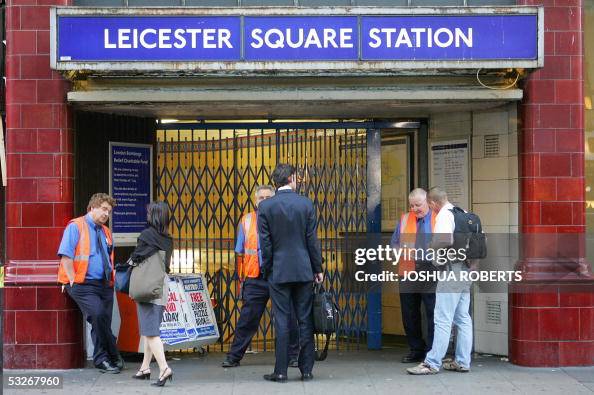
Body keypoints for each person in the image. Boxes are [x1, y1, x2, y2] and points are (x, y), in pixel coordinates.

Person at [222, 185, 300, 368]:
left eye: (267, 197)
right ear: (255, 201)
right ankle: (234, 356)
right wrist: (241, 280)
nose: (264, 201)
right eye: (261, 198)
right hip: (255, 277)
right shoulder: (247, 220)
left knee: (288, 316)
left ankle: (293, 356)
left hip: (279, 274)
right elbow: (240, 252)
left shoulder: (284, 218)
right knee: (248, 318)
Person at [258, 164, 323, 383]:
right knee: (305, 319)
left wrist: (267, 269)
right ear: (291, 179)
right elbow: (312, 240)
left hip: (279, 271)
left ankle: (281, 371)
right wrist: (318, 268)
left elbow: (265, 244)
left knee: (282, 320)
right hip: (304, 270)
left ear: (276, 182)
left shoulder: (266, 207)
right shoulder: (305, 204)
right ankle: (306, 370)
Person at [407, 187, 473, 375]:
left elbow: (444, 239)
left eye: (429, 204)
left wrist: (431, 245)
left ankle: (432, 363)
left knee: (442, 318)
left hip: (450, 271)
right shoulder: (463, 213)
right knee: (463, 318)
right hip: (465, 271)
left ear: (433, 203)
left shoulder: (444, 215)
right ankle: (462, 361)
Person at [57, 193, 123, 373]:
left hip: (104, 284)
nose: (106, 214)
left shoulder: (106, 231)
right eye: (103, 209)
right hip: (83, 284)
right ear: (92, 207)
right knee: (98, 315)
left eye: (109, 211)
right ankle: (109, 356)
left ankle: (106, 357)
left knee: (102, 321)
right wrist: (71, 280)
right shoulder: (76, 226)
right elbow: (66, 255)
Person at [129, 201, 174, 386]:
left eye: (149, 212)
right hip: (161, 286)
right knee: (150, 329)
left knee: (151, 332)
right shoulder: (168, 238)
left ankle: (164, 369)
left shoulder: (147, 235)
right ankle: (145, 368)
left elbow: (136, 257)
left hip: (147, 288)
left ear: (153, 215)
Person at [391, 188, 437, 363]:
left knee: (433, 312)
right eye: (412, 205)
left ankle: (433, 351)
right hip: (408, 272)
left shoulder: (437, 218)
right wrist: (401, 252)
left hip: (431, 272)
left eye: (418, 205)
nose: (415, 209)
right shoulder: (404, 219)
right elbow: (394, 243)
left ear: (428, 202)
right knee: (409, 313)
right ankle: (416, 349)